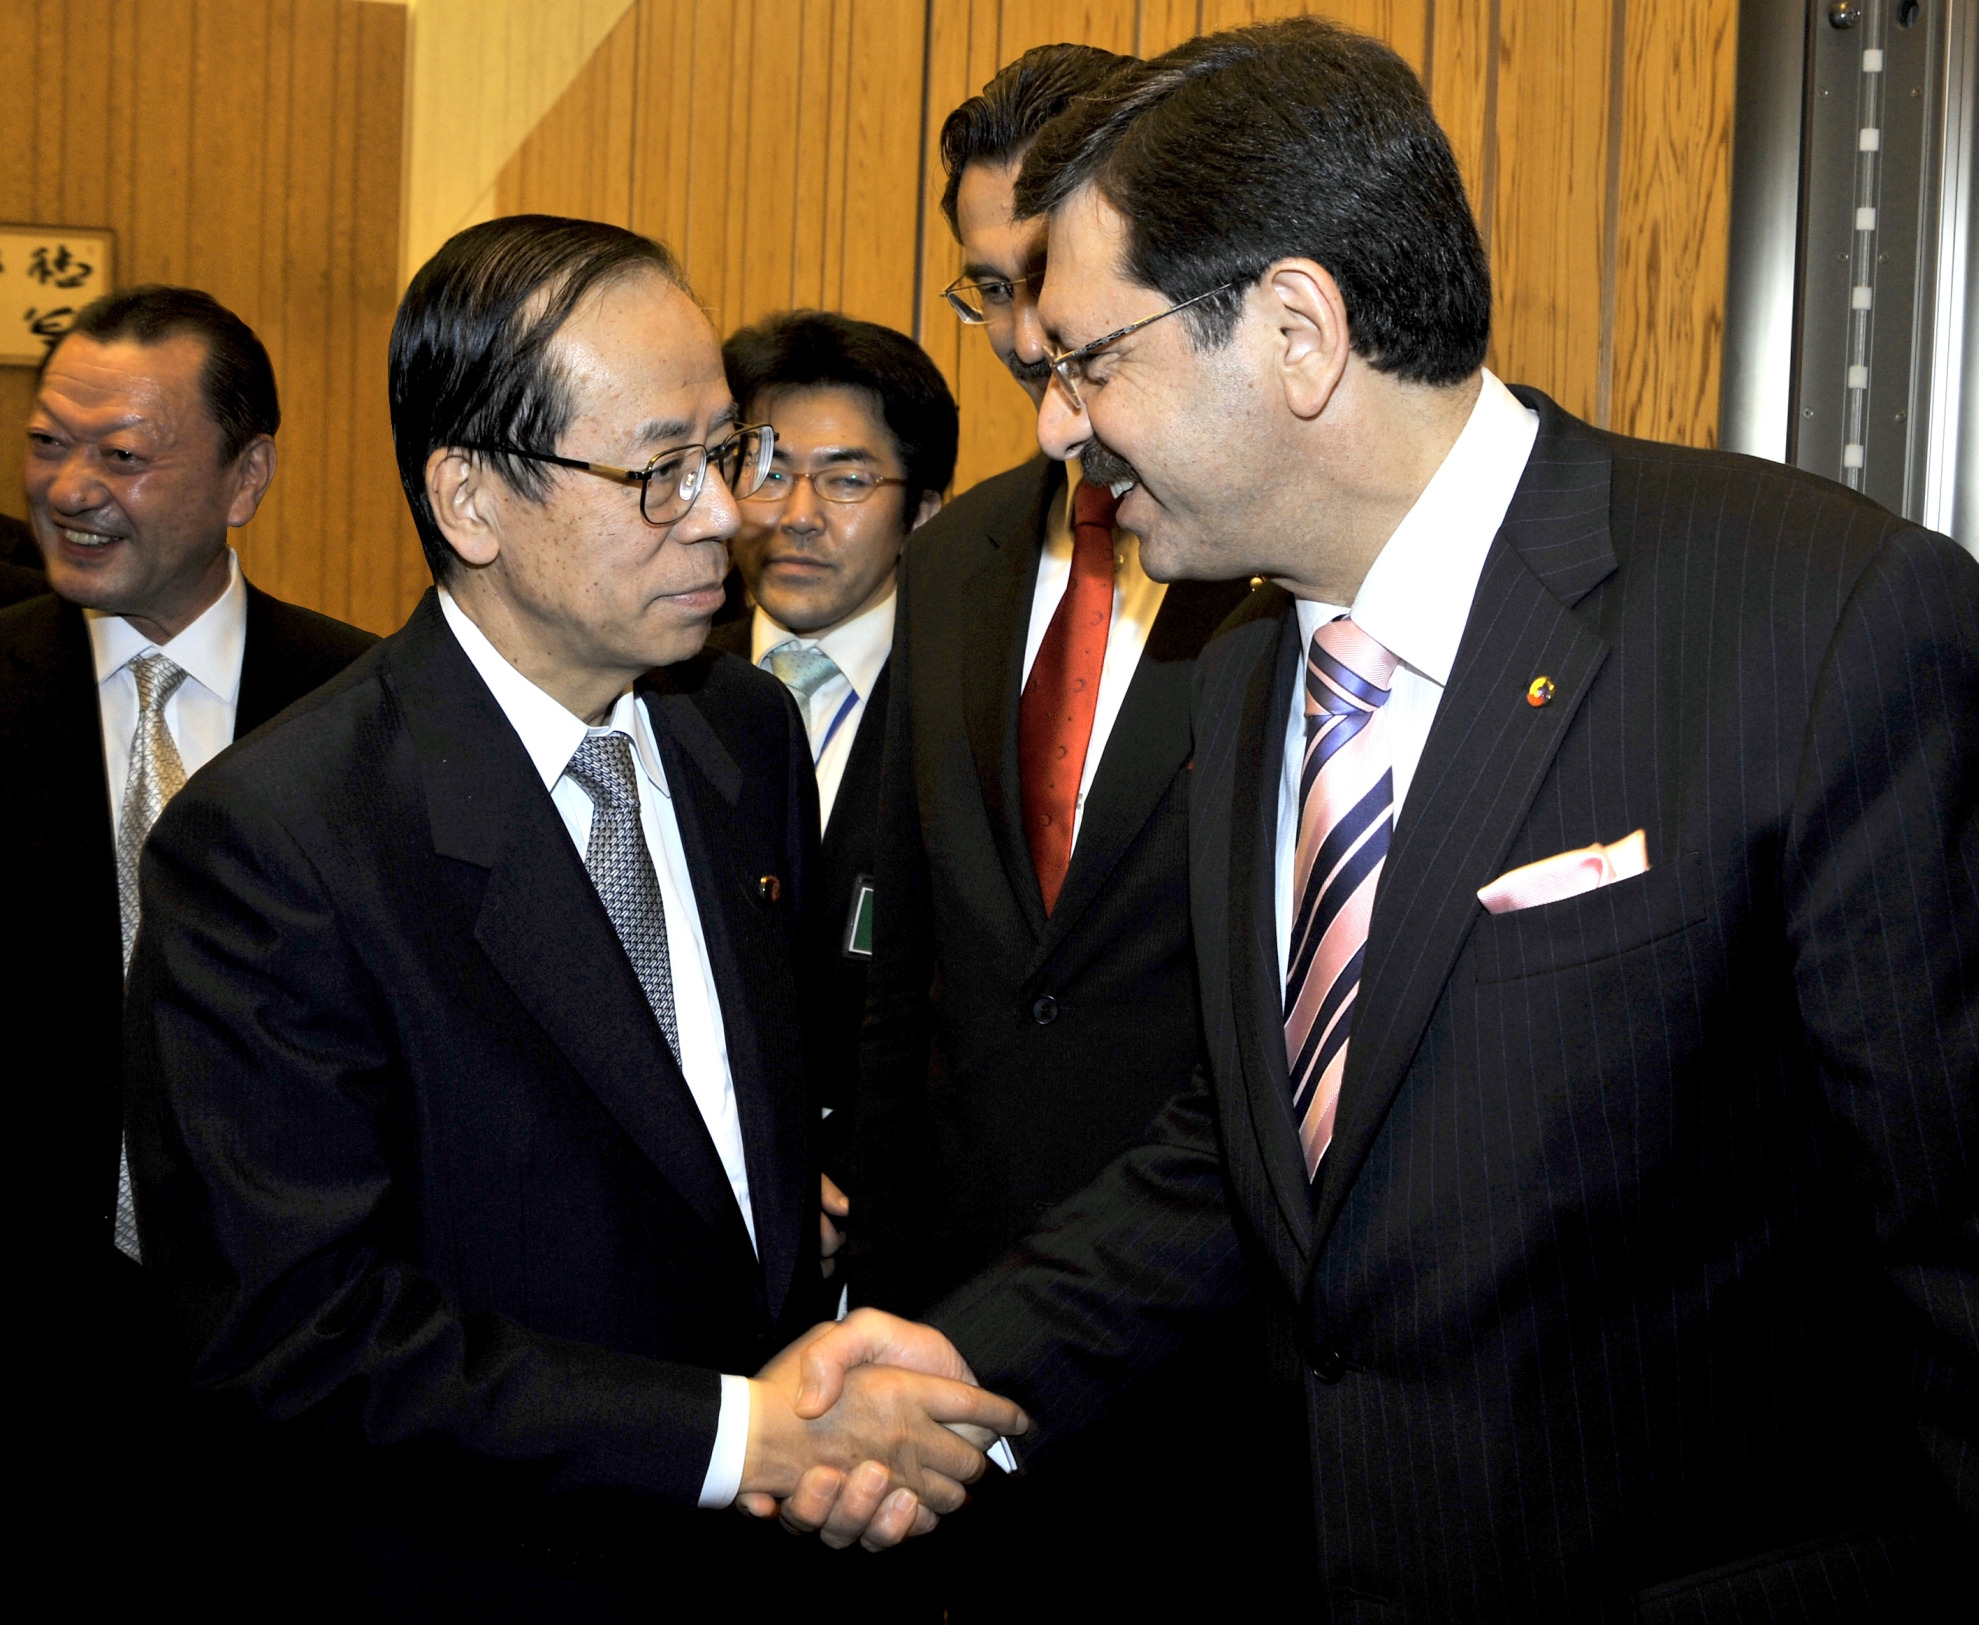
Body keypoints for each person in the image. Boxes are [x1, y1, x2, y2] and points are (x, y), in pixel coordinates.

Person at [785, 18, 1978, 1618]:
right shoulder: (1244, 673)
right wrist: (956, 1361)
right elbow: (1260, 1152)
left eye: (1087, 361)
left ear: (1295, 332)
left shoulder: (1813, 622)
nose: (1056, 424)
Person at [119, 216, 1023, 1616]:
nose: (727, 513)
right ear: (470, 499)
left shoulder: (741, 732)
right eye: (660, 471)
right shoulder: (280, 839)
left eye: (722, 452)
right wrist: (739, 1436)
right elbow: (295, 1326)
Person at [847, 41, 1281, 1608]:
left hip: (1228, 1368)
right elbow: (909, 967)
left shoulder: (1277, 561)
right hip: (956, 1359)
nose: (1028, 336)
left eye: (1049, 278)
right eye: (988, 287)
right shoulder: (950, 559)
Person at [0, 285, 377, 1597]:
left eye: (123, 453)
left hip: (298, 1380)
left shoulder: (363, 712)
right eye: (48, 443)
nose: (70, 489)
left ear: (245, 477)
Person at [710, 311, 956, 1260]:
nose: (797, 513)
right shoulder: (651, 687)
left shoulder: (964, 713)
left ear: (923, 511)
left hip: (893, 1222)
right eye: (767, 468)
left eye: (847, 479)